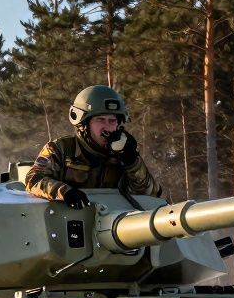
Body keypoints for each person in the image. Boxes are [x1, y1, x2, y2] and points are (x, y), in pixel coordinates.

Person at [24, 85, 162, 208]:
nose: (107, 127)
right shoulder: (61, 149)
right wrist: (65, 192)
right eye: (100, 120)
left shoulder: (123, 154)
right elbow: (33, 179)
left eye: (112, 121)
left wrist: (132, 161)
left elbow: (150, 195)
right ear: (84, 124)